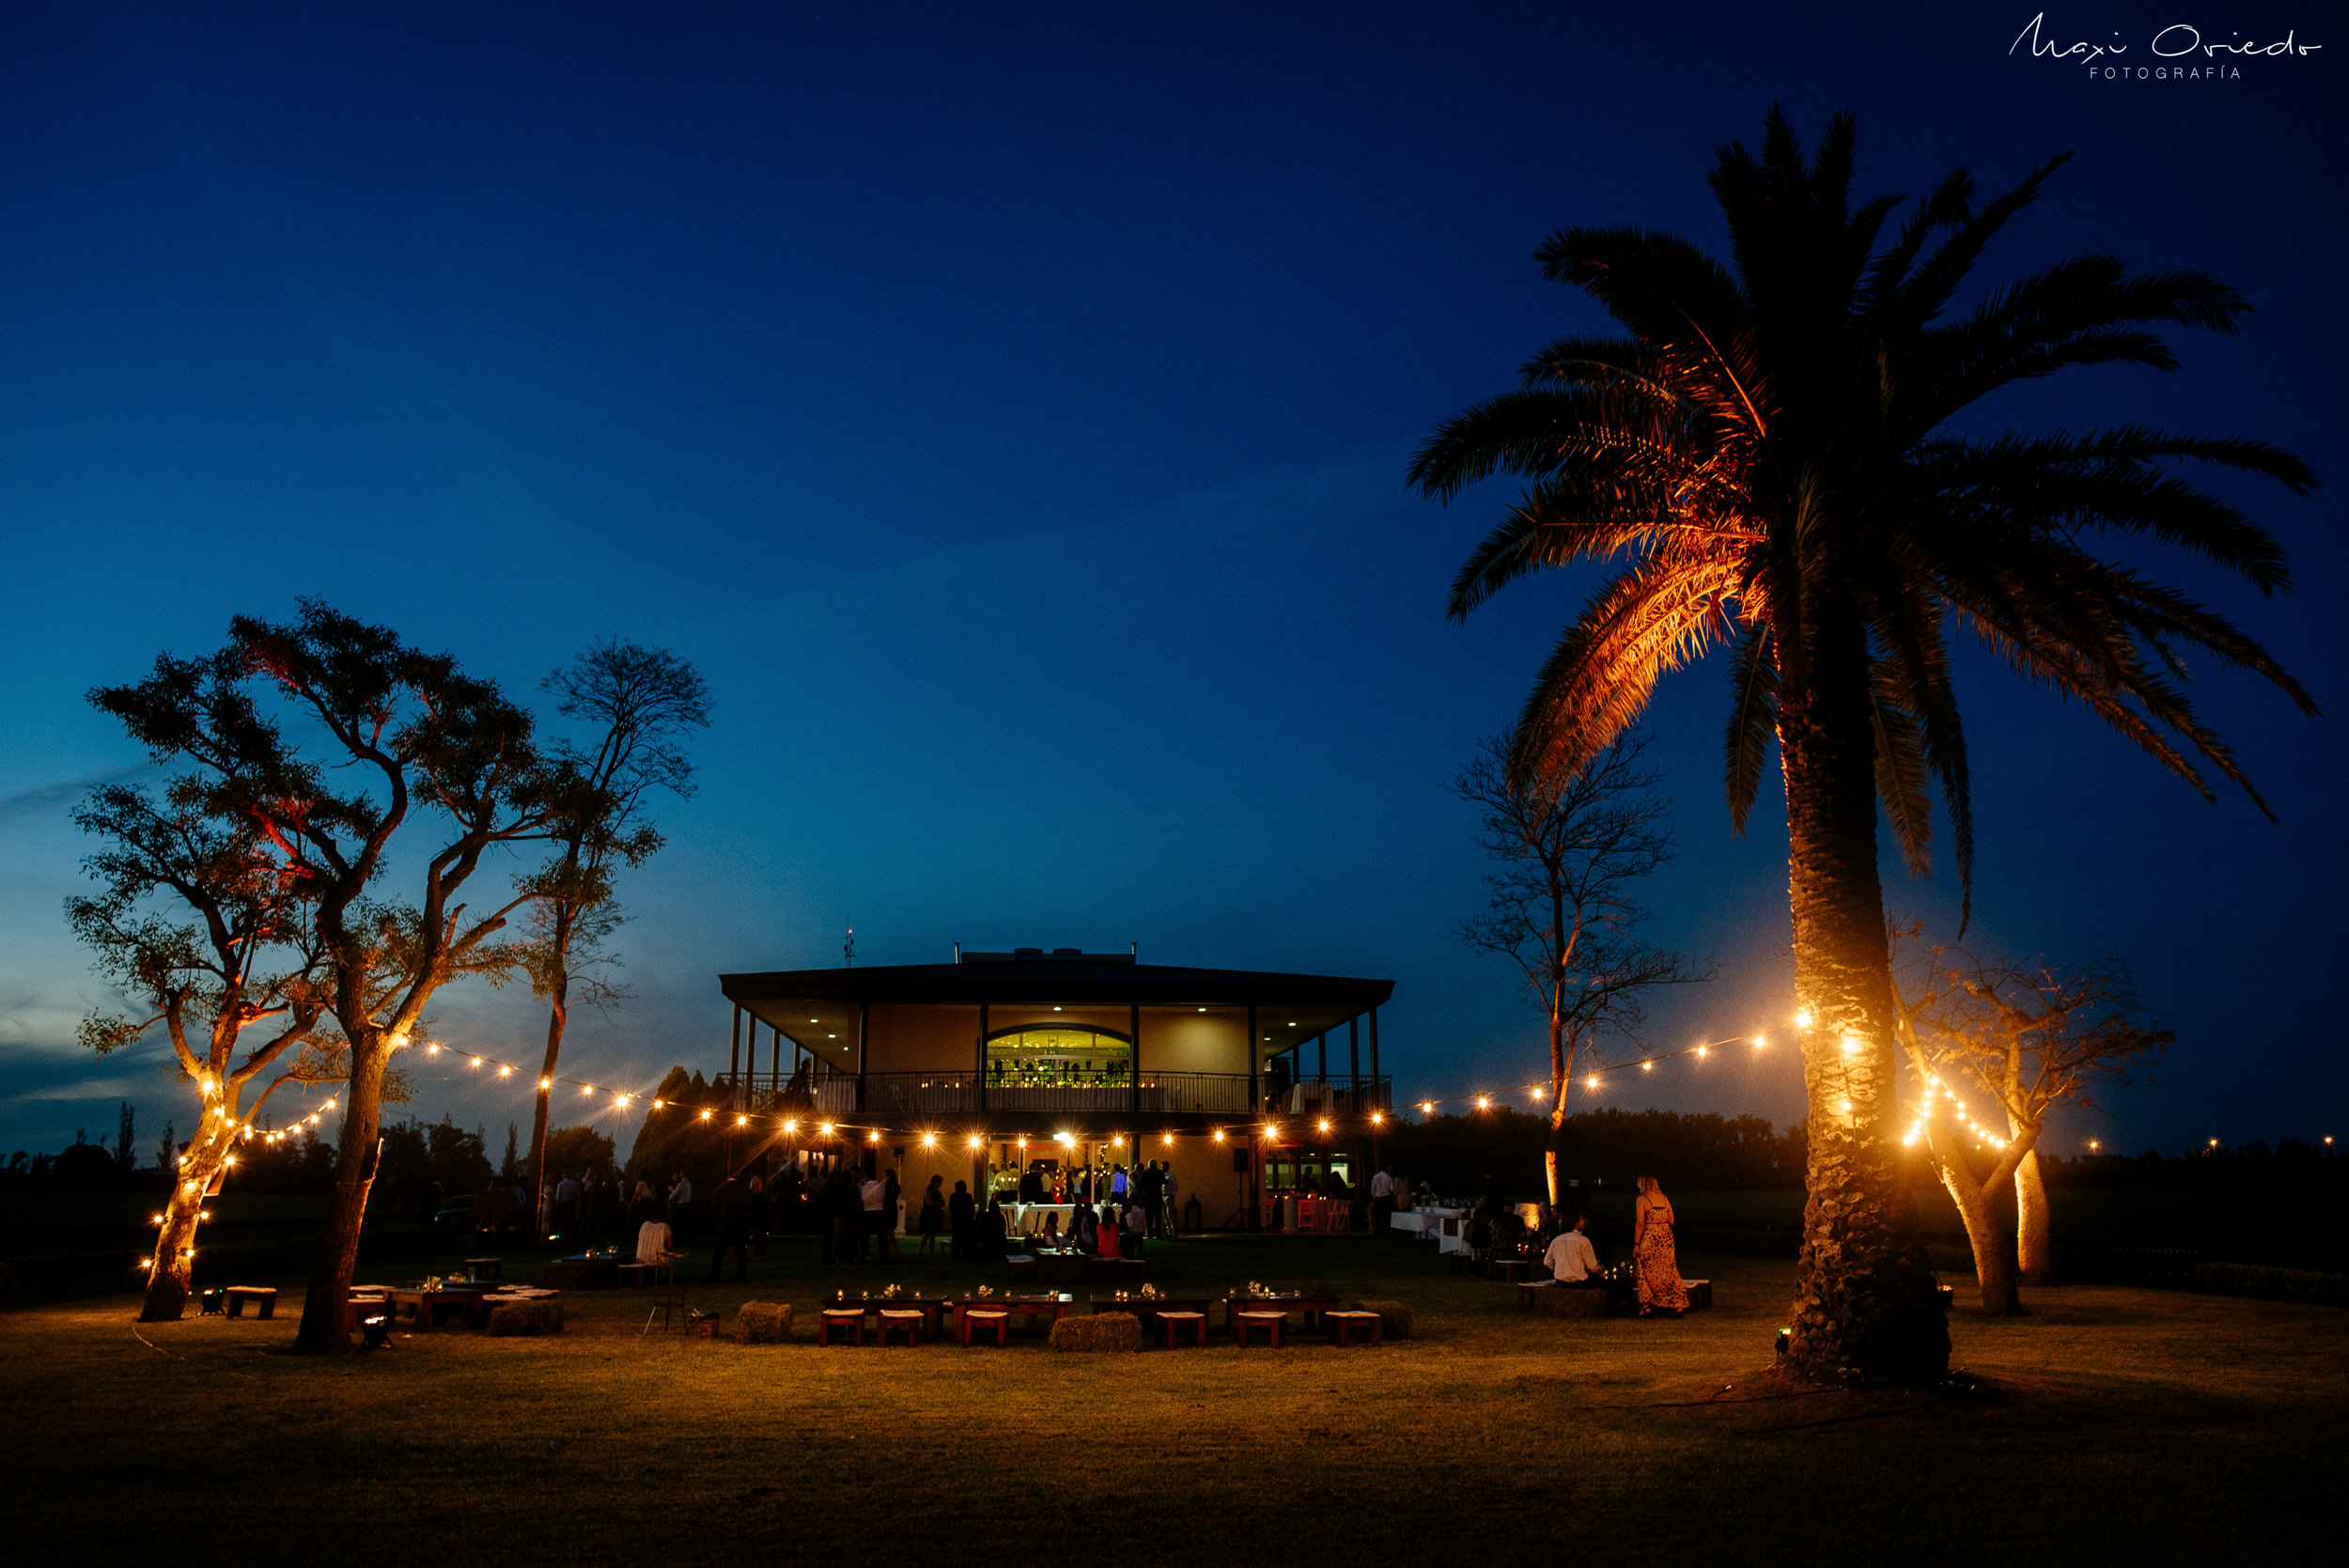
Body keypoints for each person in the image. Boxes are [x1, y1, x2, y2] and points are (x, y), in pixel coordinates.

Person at [1633, 1174, 1689, 1316]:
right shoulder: (1664, 1198)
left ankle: (1647, 1305)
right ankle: (1678, 1304)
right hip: (1666, 1238)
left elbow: (1640, 1223)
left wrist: (1636, 1244)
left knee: (1645, 1270)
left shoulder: (1642, 1199)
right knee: (1669, 1270)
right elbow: (1671, 1220)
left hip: (1650, 1236)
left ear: (1643, 1183)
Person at [709, 1172, 751, 1281]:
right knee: (740, 1250)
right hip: (738, 1223)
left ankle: (714, 1274)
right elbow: (748, 1206)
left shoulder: (719, 1189)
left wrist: (718, 1221)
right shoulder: (742, 1190)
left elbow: (714, 1210)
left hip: (724, 1224)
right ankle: (740, 1275)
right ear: (739, 1176)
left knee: (720, 1250)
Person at [1544, 1213, 1602, 1286]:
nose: (1584, 1222)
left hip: (1560, 1283)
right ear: (1576, 1224)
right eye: (1582, 1220)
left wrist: (1560, 1268)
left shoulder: (1556, 1240)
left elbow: (1547, 1261)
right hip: (1579, 1284)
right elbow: (1592, 1267)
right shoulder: (1583, 1241)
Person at [636, 1209, 676, 1277]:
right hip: (657, 1260)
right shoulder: (665, 1227)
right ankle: (667, 1277)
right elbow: (669, 1245)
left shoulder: (644, 1225)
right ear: (663, 1215)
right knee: (669, 1257)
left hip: (641, 1258)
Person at [859, 1171, 888, 1263]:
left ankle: (864, 1256)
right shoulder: (881, 1187)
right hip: (879, 1212)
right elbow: (884, 1199)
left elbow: (862, 1199)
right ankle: (883, 1257)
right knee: (881, 1237)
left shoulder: (864, 1188)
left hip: (867, 1212)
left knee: (865, 1237)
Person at [916, 1174, 946, 1260]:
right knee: (926, 1233)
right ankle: (920, 1251)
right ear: (935, 1182)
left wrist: (935, 1203)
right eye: (940, 1182)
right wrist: (937, 1203)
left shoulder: (937, 1192)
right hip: (928, 1214)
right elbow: (930, 1203)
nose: (940, 1185)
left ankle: (931, 1253)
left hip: (935, 1214)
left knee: (932, 1234)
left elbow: (942, 1202)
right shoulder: (927, 1190)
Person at [948, 1179, 976, 1262]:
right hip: (966, 1221)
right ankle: (966, 1255)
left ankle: (956, 1256)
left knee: (956, 1239)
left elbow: (951, 1208)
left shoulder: (953, 1197)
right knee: (967, 1239)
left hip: (956, 1220)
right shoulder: (968, 1197)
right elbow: (972, 1209)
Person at [1370, 1163, 1396, 1238]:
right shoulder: (1389, 1178)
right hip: (1386, 1197)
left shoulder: (1375, 1177)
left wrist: (1374, 1196)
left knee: (1378, 1215)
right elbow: (1392, 1189)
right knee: (1387, 1216)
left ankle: (1377, 1232)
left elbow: (1373, 1189)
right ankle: (1386, 1231)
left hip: (1378, 1198)